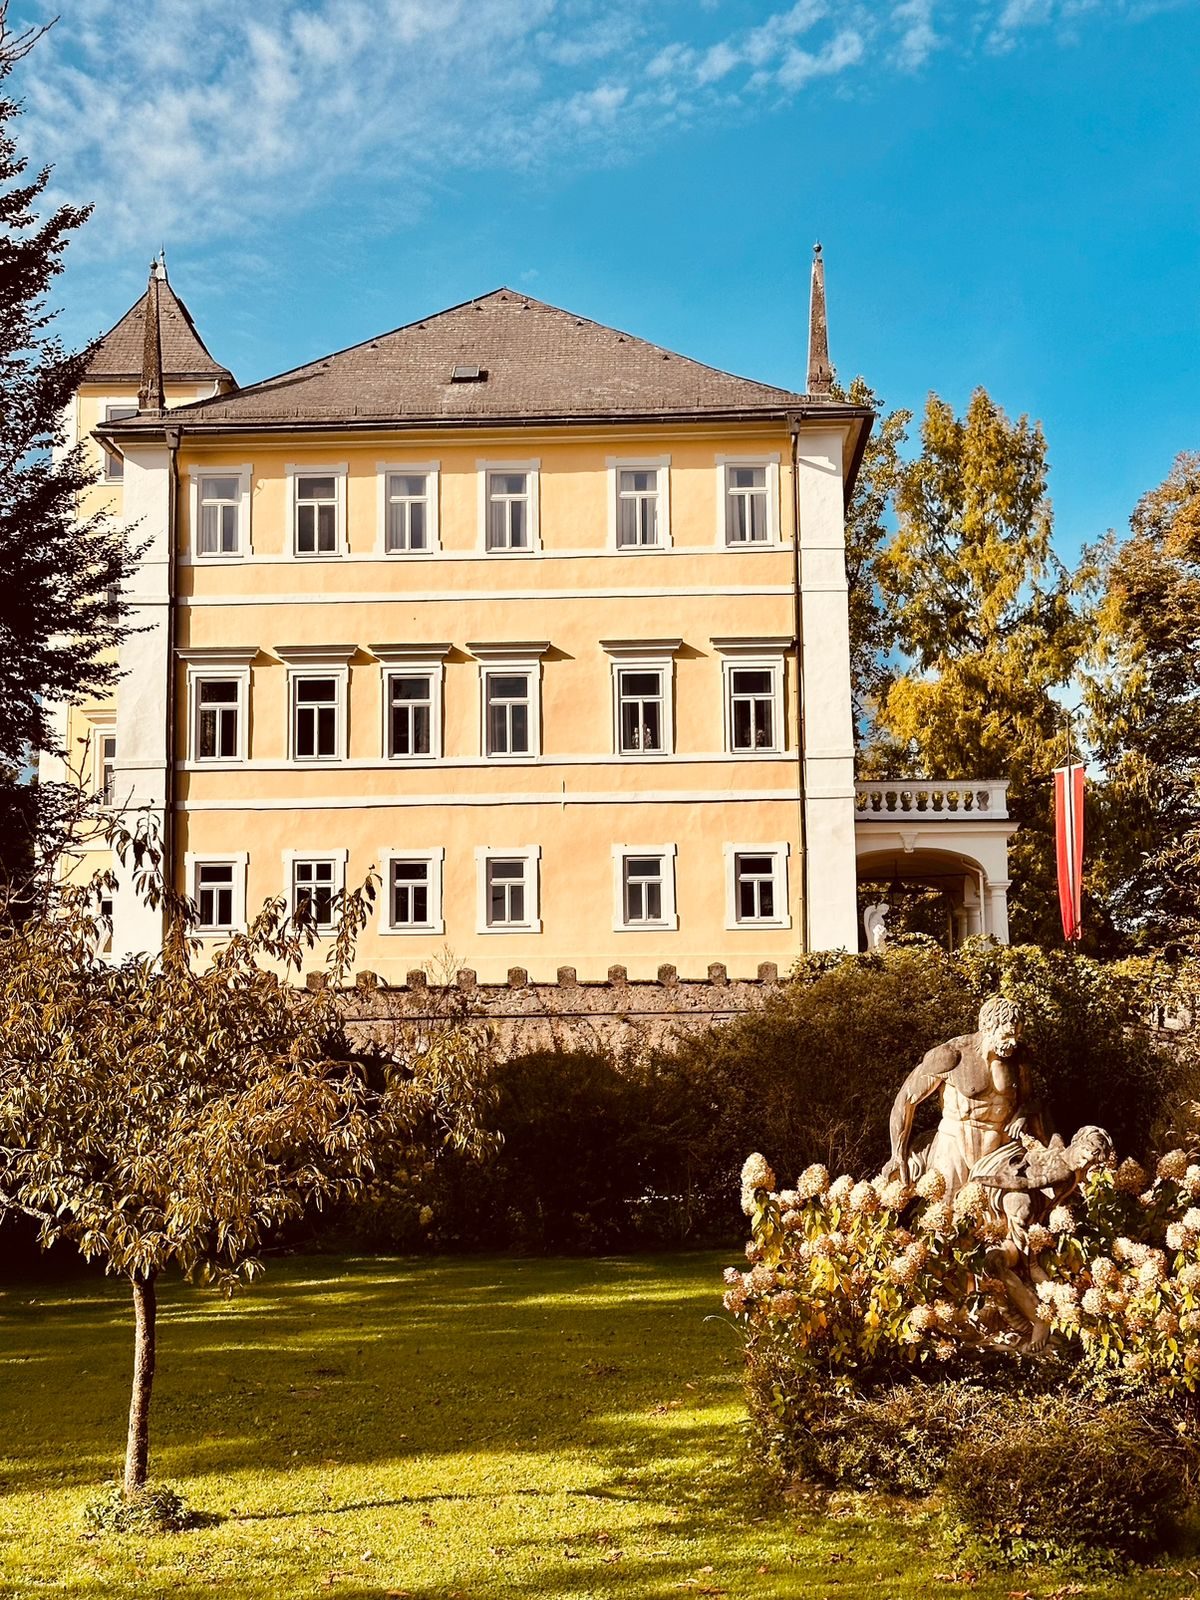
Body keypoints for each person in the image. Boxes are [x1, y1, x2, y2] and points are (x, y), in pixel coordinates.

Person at [882, 995, 1046, 1198]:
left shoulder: (1019, 1057)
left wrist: (1022, 1114)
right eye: (1008, 1035)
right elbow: (905, 1100)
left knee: (1011, 1213)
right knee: (947, 1211)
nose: (1013, 1042)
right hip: (955, 1144)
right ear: (988, 1027)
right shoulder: (952, 1056)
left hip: (1002, 1148)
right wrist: (897, 1155)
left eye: (1018, 1036)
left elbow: (1031, 1100)